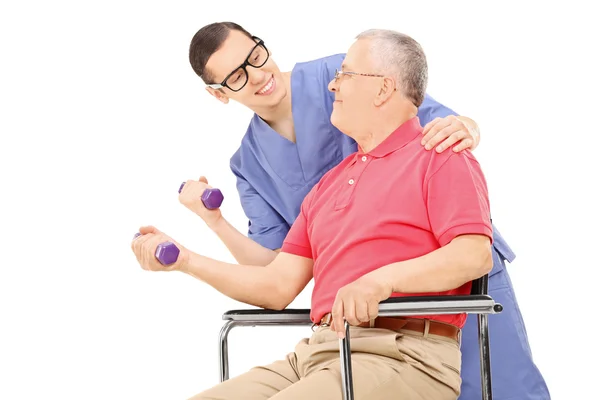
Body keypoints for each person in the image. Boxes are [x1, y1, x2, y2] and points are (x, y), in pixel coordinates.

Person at [180, 22, 550, 399]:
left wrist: (467, 127)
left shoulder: (415, 135)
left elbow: (425, 115)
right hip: (336, 335)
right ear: (219, 94)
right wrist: (208, 230)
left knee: (504, 386)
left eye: (256, 56)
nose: (258, 75)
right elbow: (275, 278)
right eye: (238, 76)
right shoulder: (285, 173)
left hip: (430, 300)